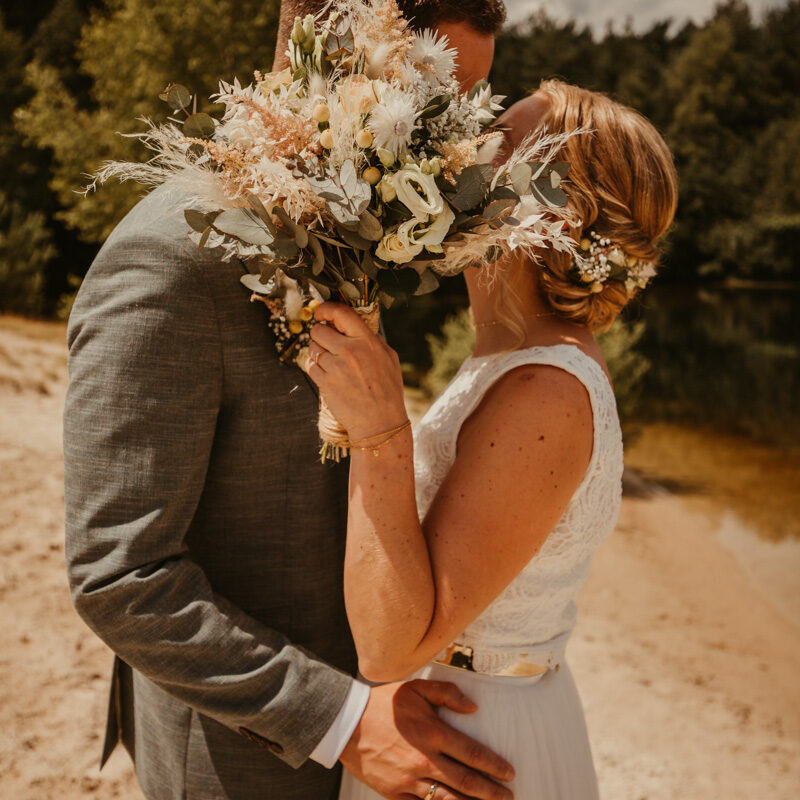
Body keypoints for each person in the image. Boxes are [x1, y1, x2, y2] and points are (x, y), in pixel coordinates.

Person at [63, 2, 517, 799]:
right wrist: (342, 721)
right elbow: (120, 575)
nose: (463, 145)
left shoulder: (354, 221)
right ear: (339, 69)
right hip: (243, 756)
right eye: (442, 100)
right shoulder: (166, 261)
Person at [306, 80, 679, 800]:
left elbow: (389, 648)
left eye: (498, 145)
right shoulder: (507, 360)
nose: (463, 150)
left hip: (472, 742)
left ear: (562, 214)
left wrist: (382, 429)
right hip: (450, 718)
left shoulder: (547, 391)